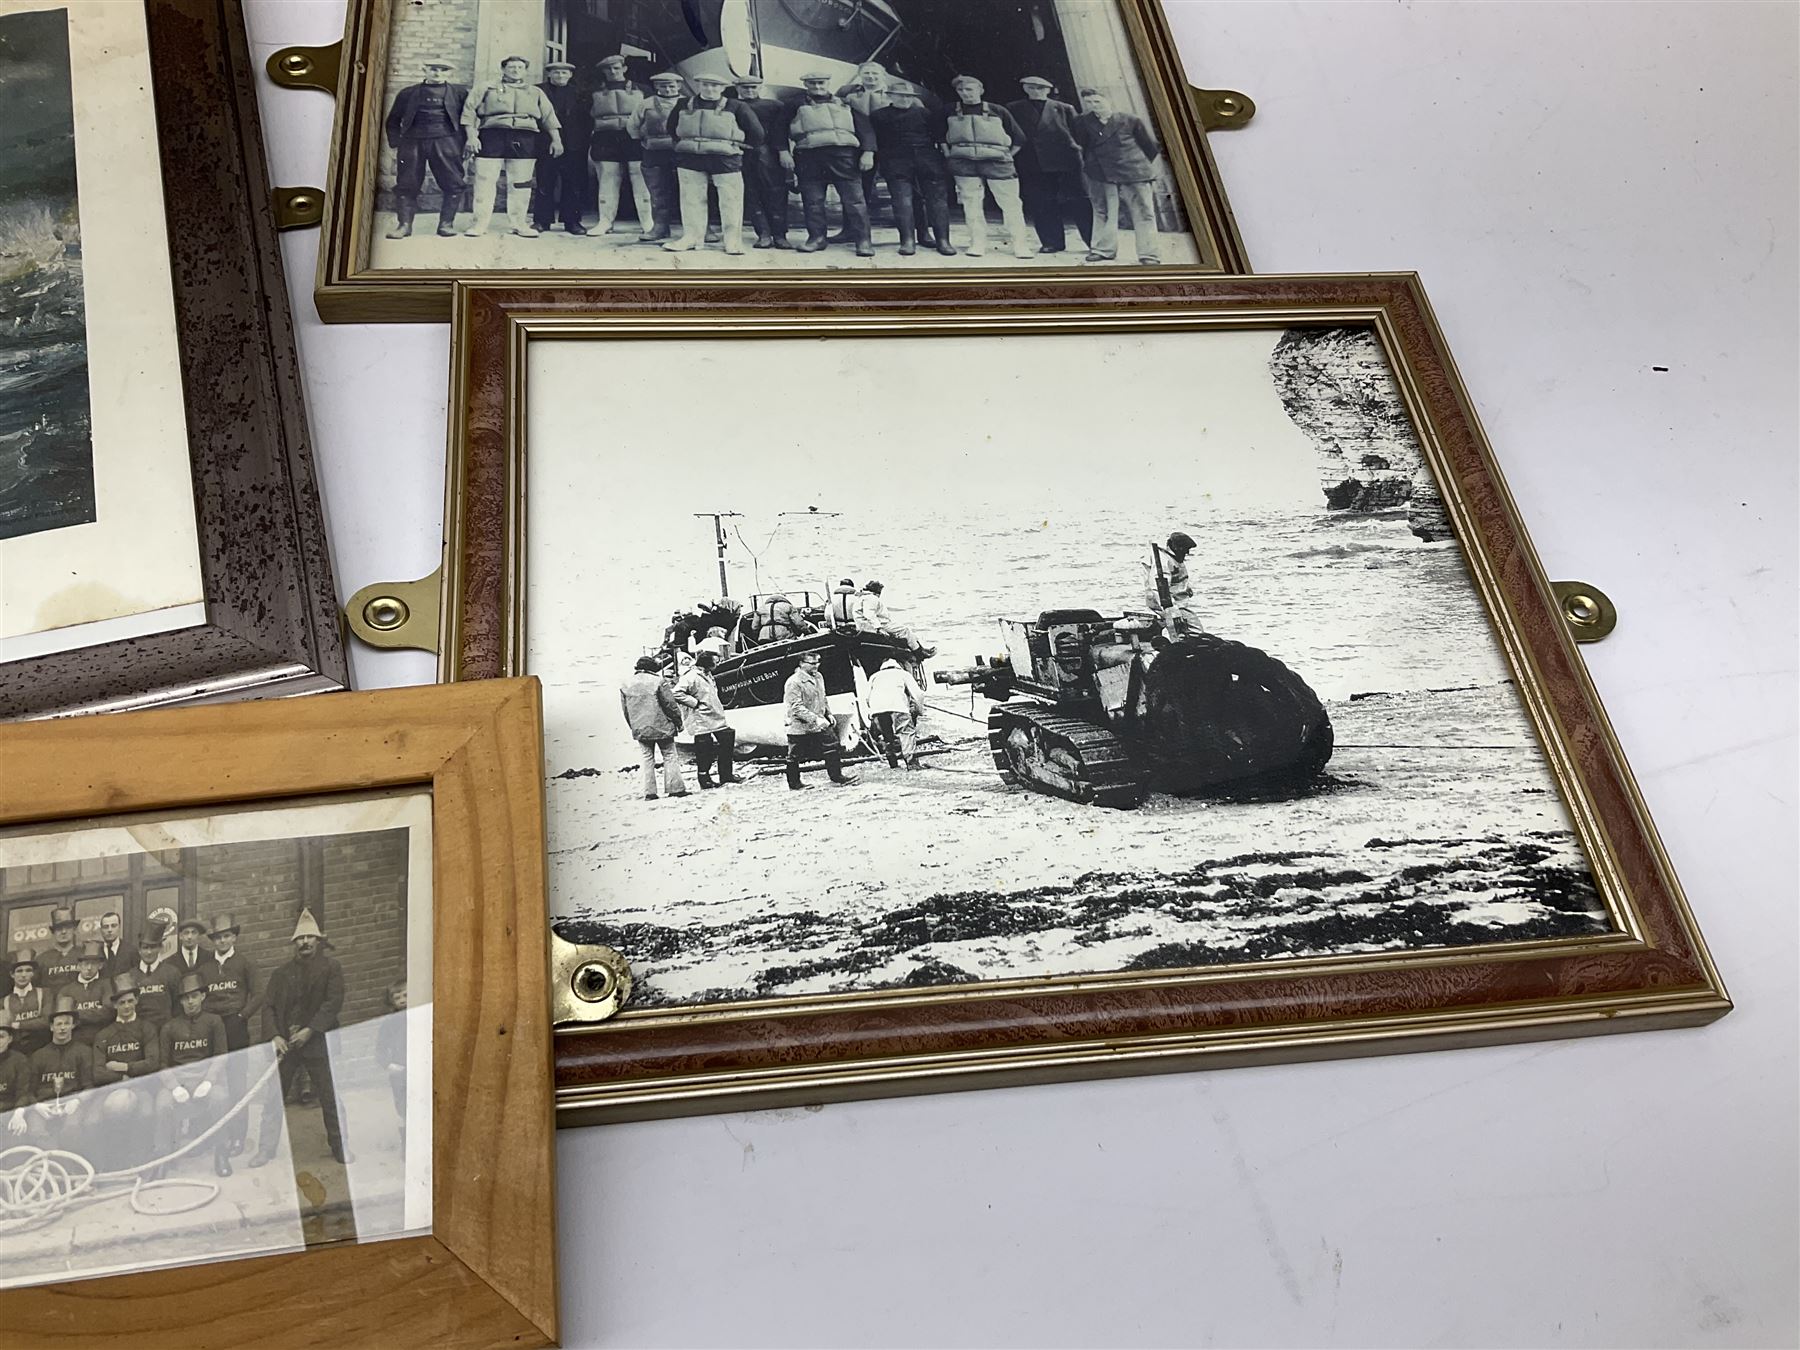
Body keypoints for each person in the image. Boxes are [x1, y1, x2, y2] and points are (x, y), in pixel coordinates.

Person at [251, 909, 350, 1168]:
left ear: (318, 941)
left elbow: (333, 1003)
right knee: (274, 1098)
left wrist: (311, 1030)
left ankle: (341, 1147)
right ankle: (265, 1149)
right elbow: (268, 1007)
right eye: (300, 938)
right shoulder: (281, 973)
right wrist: (274, 1036)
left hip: (318, 1041)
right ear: (294, 943)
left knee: (329, 1096)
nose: (305, 942)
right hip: (287, 1044)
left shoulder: (331, 968)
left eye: (310, 938)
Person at [461, 55, 564, 238]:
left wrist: (556, 140)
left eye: (519, 67)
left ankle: (519, 224)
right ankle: (479, 224)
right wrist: (471, 136)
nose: (515, 70)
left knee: (521, 183)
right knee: (485, 181)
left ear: (525, 71)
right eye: (511, 67)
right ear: (503, 69)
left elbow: (548, 117)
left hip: (525, 138)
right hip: (492, 135)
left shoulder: (535, 92)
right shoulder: (486, 88)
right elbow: (469, 111)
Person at [664, 71, 763, 255]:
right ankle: (691, 237)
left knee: (730, 200)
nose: (710, 89)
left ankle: (732, 241)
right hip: (690, 158)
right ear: (699, 85)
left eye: (715, 86)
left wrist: (736, 148)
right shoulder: (683, 104)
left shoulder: (736, 106)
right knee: (690, 199)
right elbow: (672, 128)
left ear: (723, 88)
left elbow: (756, 133)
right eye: (705, 85)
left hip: (725, 159)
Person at [936, 75, 1031, 259]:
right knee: (971, 203)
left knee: (1010, 203)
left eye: (969, 89)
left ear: (980, 90)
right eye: (961, 90)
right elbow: (939, 134)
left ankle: (1021, 244)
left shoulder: (998, 110)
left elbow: (1019, 138)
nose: (965, 93)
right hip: (964, 162)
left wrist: (1007, 156)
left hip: (997, 162)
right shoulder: (949, 111)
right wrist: (948, 153)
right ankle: (977, 243)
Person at [784, 71, 875, 257]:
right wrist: (783, 152)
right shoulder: (794, 105)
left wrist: (868, 152)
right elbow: (779, 129)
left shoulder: (844, 103)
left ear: (827, 83)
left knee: (855, 201)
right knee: (813, 202)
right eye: (813, 84)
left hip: (844, 157)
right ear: (806, 85)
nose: (817, 87)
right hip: (809, 158)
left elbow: (865, 129)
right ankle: (816, 238)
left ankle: (863, 241)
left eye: (821, 83)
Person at [1073, 88, 1164, 265]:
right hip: (1100, 173)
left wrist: (1152, 171)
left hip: (1134, 172)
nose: (1093, 106)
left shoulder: (1130, 120)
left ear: (1109, 101)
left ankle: (1149, 254)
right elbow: (1083, 145)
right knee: (1102, 211)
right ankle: (1102, 250)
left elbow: (1150, 147)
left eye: (1097, 102)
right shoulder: (1082, 122)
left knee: (1144, 212)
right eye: (1089, 103)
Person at [383, 58, 469, 238]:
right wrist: (396, 143)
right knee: (407, 183)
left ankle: (446, 224)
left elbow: (468, 119)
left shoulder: (460, 93)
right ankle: (404, 225)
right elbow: (393, 120)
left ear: (449, 73)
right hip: (413, 142)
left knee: (453, 182)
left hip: (446, 142)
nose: (437, 73)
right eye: (433, 69)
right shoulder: (408, 93)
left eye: (443, 70)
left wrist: (465, 143)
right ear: (425, 70)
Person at [1007, 75, 1090, 255]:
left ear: (1048, 90)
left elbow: (1079, 134)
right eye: (1030, 87)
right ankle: (1051, 242)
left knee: (1080, 200)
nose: (1035, 91)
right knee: (1042, 202)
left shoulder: (1064, 108)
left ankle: (1092, 241)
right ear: (1024, 89)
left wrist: (1081, 155)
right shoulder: (1014, 108)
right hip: (1033, 163)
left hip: (1066, 161)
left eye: (1040, 88)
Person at [870, 80, 953, 257]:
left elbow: (938, 137)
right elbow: (876, 141)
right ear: (889, 96)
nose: (906, 99)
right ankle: (907, 241)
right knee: (903, 201)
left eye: (909, 96)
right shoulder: (878, 116)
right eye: (901, 96)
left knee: (936, 200)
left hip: (927, 159)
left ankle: (942, 240)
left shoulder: (924, 113)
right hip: (896, 161)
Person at [160, 971, 231, 1176]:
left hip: (207, 1076)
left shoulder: (214, 1021)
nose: (190, 1002)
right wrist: (174, 1087)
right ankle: (164, 1156)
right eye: (185, 998)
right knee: (162, 1104)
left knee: (220, 1098)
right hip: (180, 1079)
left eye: (194, 996)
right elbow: (163, 1064)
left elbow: (221, 1056)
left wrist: (209, 1082)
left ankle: (221, 1153)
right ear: (180, 1001)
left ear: (202, 996)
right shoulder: (170, 1027)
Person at [204, 913, 261, 1157]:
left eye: (226, 936)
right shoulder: (206, 968)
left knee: (237, 1085)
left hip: (236, 1027)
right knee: (215, 1084)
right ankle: (218, 1137)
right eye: (218, 938)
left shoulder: (245, 964)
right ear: (213, 941)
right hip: (213, 1028)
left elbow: (259, 995)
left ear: (234, 937)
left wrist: (242, 1017)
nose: (222, 941)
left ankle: (239, 1137)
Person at [92, 972, 161, 1167]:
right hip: (110, 1089)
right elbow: (97, 1072)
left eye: (130, 1001)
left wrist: (123, 1067)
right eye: (121, 1003)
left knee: (146, 1113)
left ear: (137, 1000)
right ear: (114, 1005)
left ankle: (142, 1166)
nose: (127, 1006)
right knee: (93, 1121)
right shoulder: (104, 1034)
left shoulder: (146, 1028)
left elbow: (153, 1063)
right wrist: (122, 1079)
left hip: (141, 1087)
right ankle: (108, 1168)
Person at [588, 55, 653, 238]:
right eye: (608, 69)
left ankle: (647, 222)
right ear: (603, 71)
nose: (613, 72)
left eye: (617, 68)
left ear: (624, 69)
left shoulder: (643, 89)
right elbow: (585, 117)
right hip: (605, 139)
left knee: (640, 180)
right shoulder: (593, 91)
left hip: (634, 140)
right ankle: (605, 222)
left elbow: (653, 115)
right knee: (607, 181)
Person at [733, 76, 793, 248]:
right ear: (737, 88)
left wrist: (784, 152)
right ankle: (763, 234)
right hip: (743, 153)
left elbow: (782, 130)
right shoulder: (731, 106)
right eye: (745, 88)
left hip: (770, 154)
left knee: (777, 193)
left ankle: (780, 235)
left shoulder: (774, 106)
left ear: (760, 88)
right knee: (751, 194)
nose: (749, 91)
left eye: (753, 87)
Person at [530, 61, 589, 234]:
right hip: (545, 142)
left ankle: (572, 222)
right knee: (545, 181)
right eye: (556, 73)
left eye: (564, 73)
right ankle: (542, 221)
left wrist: (583, 141)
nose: (560, 76)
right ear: (549, 75)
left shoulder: (580, 93)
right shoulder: (538, 91)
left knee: (573, 182)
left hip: (574, 144)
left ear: (570, 75)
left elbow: (587, 119)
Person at [28, 995, 93, 1151]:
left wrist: (77, 1101)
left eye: (66, 1023)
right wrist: (37, 1105)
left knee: (72, 1128)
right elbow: (28, 1090)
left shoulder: (83, 1051)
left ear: (73, 1026)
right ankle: (54, 1164)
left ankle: (70, 1169)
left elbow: (89, 1086)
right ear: (51, 1027)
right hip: (45, 1105)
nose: (62, 1028)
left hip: (71, 1104)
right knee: (35, 1130)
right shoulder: (38, 1055)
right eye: (58, 1024)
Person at [620, 655, 689, 801]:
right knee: (669, 755)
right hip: (662, 726)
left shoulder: (626, 684)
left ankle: (650, 793)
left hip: (640, 728)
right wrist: (679, 722)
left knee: (647, 759)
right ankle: (675, 789)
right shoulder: (658, 681)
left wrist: (633, 726)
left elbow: (625, 711)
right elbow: (670, 705)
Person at [784, 650, 856, 789]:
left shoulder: (818, 677)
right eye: (812, 663)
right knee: (795, 755)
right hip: (799, 724)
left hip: (820, 720)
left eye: (818, 662)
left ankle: (836, 776)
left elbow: (823, 697)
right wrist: (815, 719)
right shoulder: (794, 682)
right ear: (801, 664)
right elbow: (796, 707)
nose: (816, 666)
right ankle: (794, 784)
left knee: (832, 746)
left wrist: (828, 713)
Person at [631, 72, 687, 243]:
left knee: (689, 191)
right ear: (656, 87)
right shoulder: (645, 104)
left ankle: (699, 229)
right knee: (657, 191)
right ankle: (660, 228)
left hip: (682, 152)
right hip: (654, 152)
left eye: (672, 85)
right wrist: (645, 141)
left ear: (679, 86)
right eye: (663, 86)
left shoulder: (689, 102)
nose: (668, 89)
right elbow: (632, 127)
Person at [674, 650, 737, 789]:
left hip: (715, 715)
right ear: (707, 663)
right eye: (715, 661)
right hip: (701, 718)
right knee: (704, 748)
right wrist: (694, 703)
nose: (718, 664)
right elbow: (676, 692)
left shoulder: (708, 674)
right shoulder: (691, 676)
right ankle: (704, 778)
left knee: (727, 737)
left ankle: (726, 775)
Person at [868, 657, 926, 770]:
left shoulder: (874, 676)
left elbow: (866, 697)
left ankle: (892, 763)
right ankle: (911, 763)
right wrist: (919, 710)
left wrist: (871, 713)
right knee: (906, 733)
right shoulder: (903, 674)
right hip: (898, 707)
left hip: (878, 710)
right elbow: (918, 694)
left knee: (887, 737)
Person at [853, 581, 934, 658]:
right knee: (905, 630)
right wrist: (879, 628)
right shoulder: (872, 598)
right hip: (874, 626)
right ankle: (919, 653)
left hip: (864, 625)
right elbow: (869, 615)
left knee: (902, 630)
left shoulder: (862, 597)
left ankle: (921, 648)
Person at [1144, 530, 1200, 636]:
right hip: (1167, 603)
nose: (1187, 553)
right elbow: (1160, 588)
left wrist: (1186, 588)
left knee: (1189, 627)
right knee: (1194, 628)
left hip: (1176, 601)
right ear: (1176, 547)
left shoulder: (1173, 557)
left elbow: (1177, 577)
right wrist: (1172, 610)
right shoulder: (1163, 561)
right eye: (1185, 550)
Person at [127, 921, 175, 1027]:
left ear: (159, 948)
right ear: (139, 950)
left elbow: (177, 1006)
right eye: (145, 947)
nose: (149, 952)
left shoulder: (171, 972)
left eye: (153, 947)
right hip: (140, 1030)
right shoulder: (131, 975)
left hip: (166, 1029)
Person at [65, 942, 113, 1045]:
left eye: (93, 963)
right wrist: (96, 1011)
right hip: (76, 1041)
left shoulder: (107, 985)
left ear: (100, 965)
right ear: (79, 966)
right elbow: (65, 1018)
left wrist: (76, 1014)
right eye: (86, 963)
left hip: (103, 1040)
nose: (89, 968)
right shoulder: (67, 990)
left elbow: (108, 1013)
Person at [5, 950, 49, 1058]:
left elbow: (46, 1021)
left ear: (33, 973)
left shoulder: (44, 993)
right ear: (12, 974)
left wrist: (19, 1025)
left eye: (28, 970)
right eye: (19, 971)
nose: (23, 975)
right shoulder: (5, 1001)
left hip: (41, 1047)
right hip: (16, 1051)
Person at [0, 1012, 30, 1140]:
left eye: (1, 1036)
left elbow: (23, 1092)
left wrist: (18, 1114)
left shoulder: (19, 1060)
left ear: (10, 1039)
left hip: (11, 1110)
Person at [41, 906, 83, 993]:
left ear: (74, 929)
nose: (63, 932)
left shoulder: (84, 954)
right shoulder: (42, 959)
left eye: (67, 927)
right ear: (53, 932)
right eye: (59, 928)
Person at [97, 910, 128, 978]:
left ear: (119, 927)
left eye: (113, 926)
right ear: (101, 930)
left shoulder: (130, 951)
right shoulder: (96, 951)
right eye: (106, 927)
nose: (109, 930)